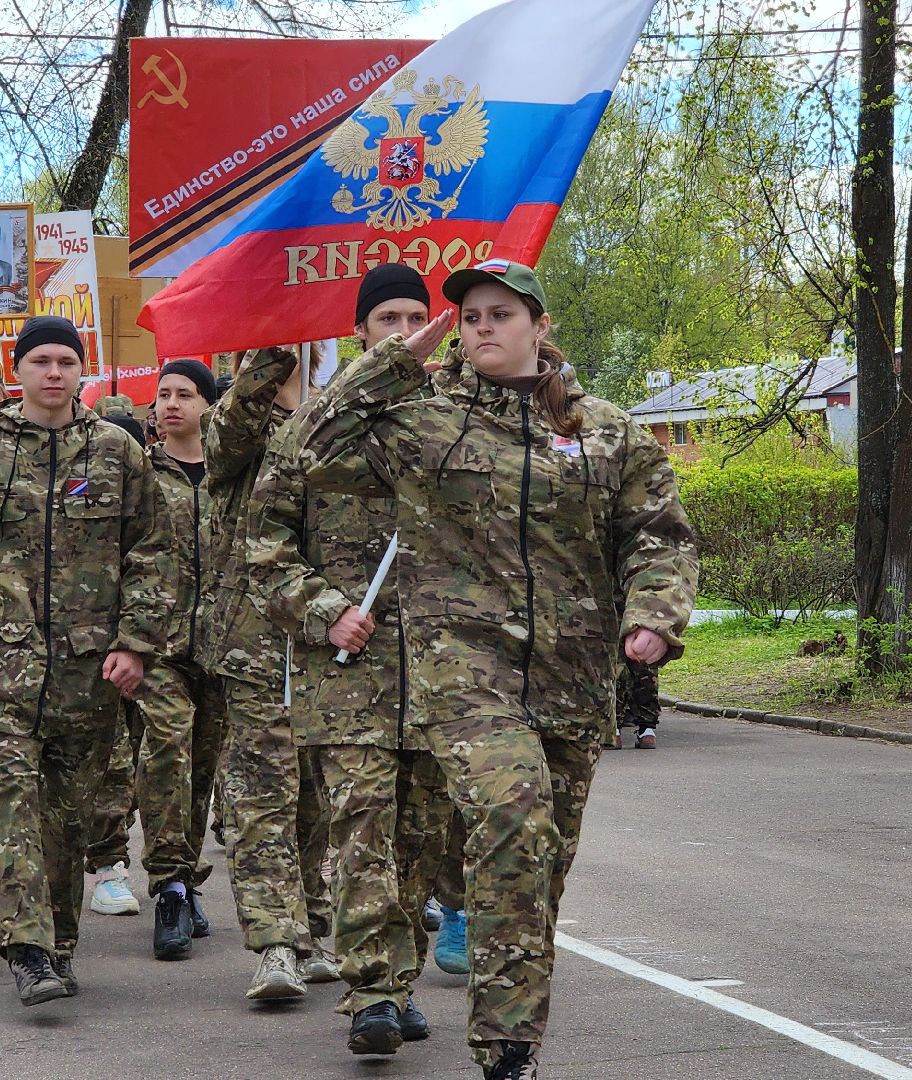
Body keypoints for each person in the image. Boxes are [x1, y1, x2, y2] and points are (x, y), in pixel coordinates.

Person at [292, 259, 698, 1079]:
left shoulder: (606, 432)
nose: (481, 326)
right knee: (514, 817)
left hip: (572, 679)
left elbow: (659, 536)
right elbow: (311, 441)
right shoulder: (421, 419)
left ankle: (511, 1020)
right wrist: (398, 359)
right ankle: (508, 1049)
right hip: (462, 673)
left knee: (541, 859)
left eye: (499, 313)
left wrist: (655, 615)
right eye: (470, 314)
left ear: (539, 326)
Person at [0, 315, 168, 1007]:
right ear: (16, 371)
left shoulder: (118, 453)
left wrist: (135, 643)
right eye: (41, 361)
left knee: (66, 818)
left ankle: (58, 943)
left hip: (90, 674)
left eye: (65, 361)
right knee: (9, 809)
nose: (53, 373)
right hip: (3, 671)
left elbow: (152, 554)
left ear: (80, 370)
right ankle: (25, 949)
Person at [244, 263, 456, 1053]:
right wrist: (326, 613)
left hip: (440, 673)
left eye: (415, 318)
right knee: (362, 830)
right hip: (352, 674)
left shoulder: (454, 419)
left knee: (423, 842)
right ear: (359, 333)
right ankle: (373, 991)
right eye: (387, 320)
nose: (405, 332)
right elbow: (262, 548)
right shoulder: (316, 431)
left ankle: (402, 976)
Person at [202, 343, 338, 1001]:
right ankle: (275, 944)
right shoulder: (239, 428)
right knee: (261, 796)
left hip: (332, 640)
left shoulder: (342, 417)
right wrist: (277, 352)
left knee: (316, 797)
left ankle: (311, 929)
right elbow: (225, 442)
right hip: (255, 643)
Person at [83, 358, 225, 961]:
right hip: (156, 643)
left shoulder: (230, 474)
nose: (170, 404)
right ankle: (167, 882)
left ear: (208, 405)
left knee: (202, 765)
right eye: (163, 394)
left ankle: (186, 875)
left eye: (184, 394)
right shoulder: (137, 472)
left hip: (221, 644)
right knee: (167, 746)